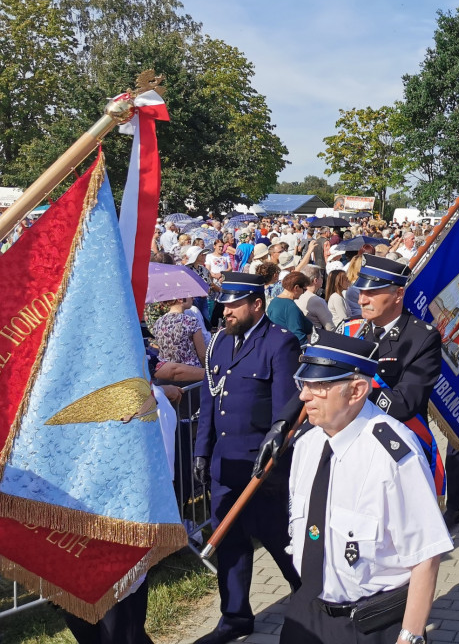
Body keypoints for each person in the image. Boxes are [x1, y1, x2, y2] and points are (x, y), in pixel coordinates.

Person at [280, 331, 452, 644]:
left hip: (368, 626)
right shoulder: (307, 443)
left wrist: (410, 636)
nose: (305, 396)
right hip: (307, 610)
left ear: (357, 389)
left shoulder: (393, 454)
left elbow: (426, 556)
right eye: (304, 384)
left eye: (319, 386)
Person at [257, 256, 443, 482]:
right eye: (361, 292)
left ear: (398, 294)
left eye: (372, 293)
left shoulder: (421, 337)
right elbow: (315, 380)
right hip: (347, 445)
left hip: (393, 451)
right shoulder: (351, 329)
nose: (362, 300)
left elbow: (404, 404)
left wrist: (347, 388)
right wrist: (281, 424)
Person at [192, 273, 302, 644]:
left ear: (257, 304)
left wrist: (275, 464)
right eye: (224, 304)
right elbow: (209, 401)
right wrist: (202, 451)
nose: (226, 311)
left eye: (234, 304)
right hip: (227, 466)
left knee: (281, 542)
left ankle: (310, 605)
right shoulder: (220, 343)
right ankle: (235, 617)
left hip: (263, 469)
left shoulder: (279, 343)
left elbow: (286, 412)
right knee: (231, 545)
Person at [152, 297, 206, 367]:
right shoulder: (191, 322)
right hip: (190, 372)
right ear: (180, 299)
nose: (193, 299)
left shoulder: (158, 322)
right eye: (190, 296)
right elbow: (202, 355)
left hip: (166, 371)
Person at [267, 271, 314, 344]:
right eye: (304, 290)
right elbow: (298, 336)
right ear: (296, 288)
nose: (303, 293)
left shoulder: (273, 302)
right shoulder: (290, 307)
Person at [297, 265, 334, 330]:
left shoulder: (297, 296)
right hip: (317, 336)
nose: (323, 279)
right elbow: (330, 327)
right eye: (321, 277)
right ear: (315, 280)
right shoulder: (317, 300)